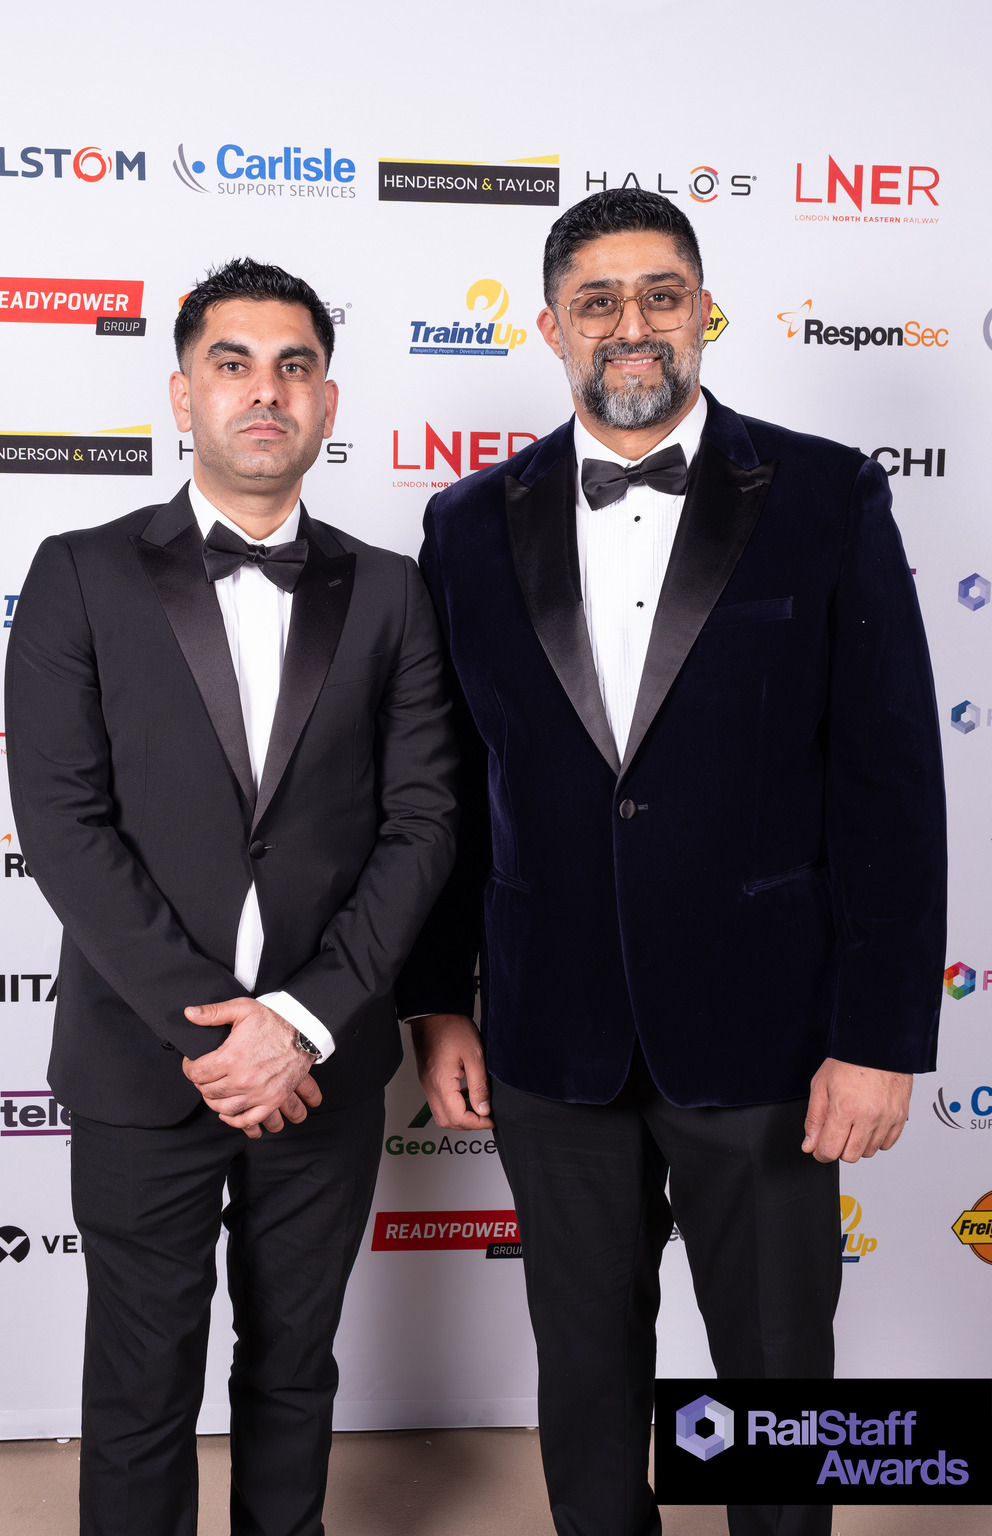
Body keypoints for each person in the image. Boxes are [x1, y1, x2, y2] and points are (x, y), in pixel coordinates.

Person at [398, 190, 946, 1536]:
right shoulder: (464, 525)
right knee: (586, 1377)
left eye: (661, 293)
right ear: (550, 329)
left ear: (703, 309)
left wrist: (879, 1037)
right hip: (550, 1035)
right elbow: (451, 786)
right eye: (597, 300)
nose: (631, 324)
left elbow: (889, 783)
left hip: (769, 1038)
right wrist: (438, 997)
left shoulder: (824, 494)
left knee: (775, 1374)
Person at [5, 257, 457, 1536]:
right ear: (181, 394)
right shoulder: (77, 572)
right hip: (143, 1062)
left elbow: (423, 822)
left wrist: (299, 1023)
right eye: (233, 363)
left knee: (294, 1370)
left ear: (327, 404)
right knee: (140, 1384)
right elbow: (64, 825)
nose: (266, 391)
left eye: (294, 367)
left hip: (322, 1063)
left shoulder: (391, 590)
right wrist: (222, 1034)